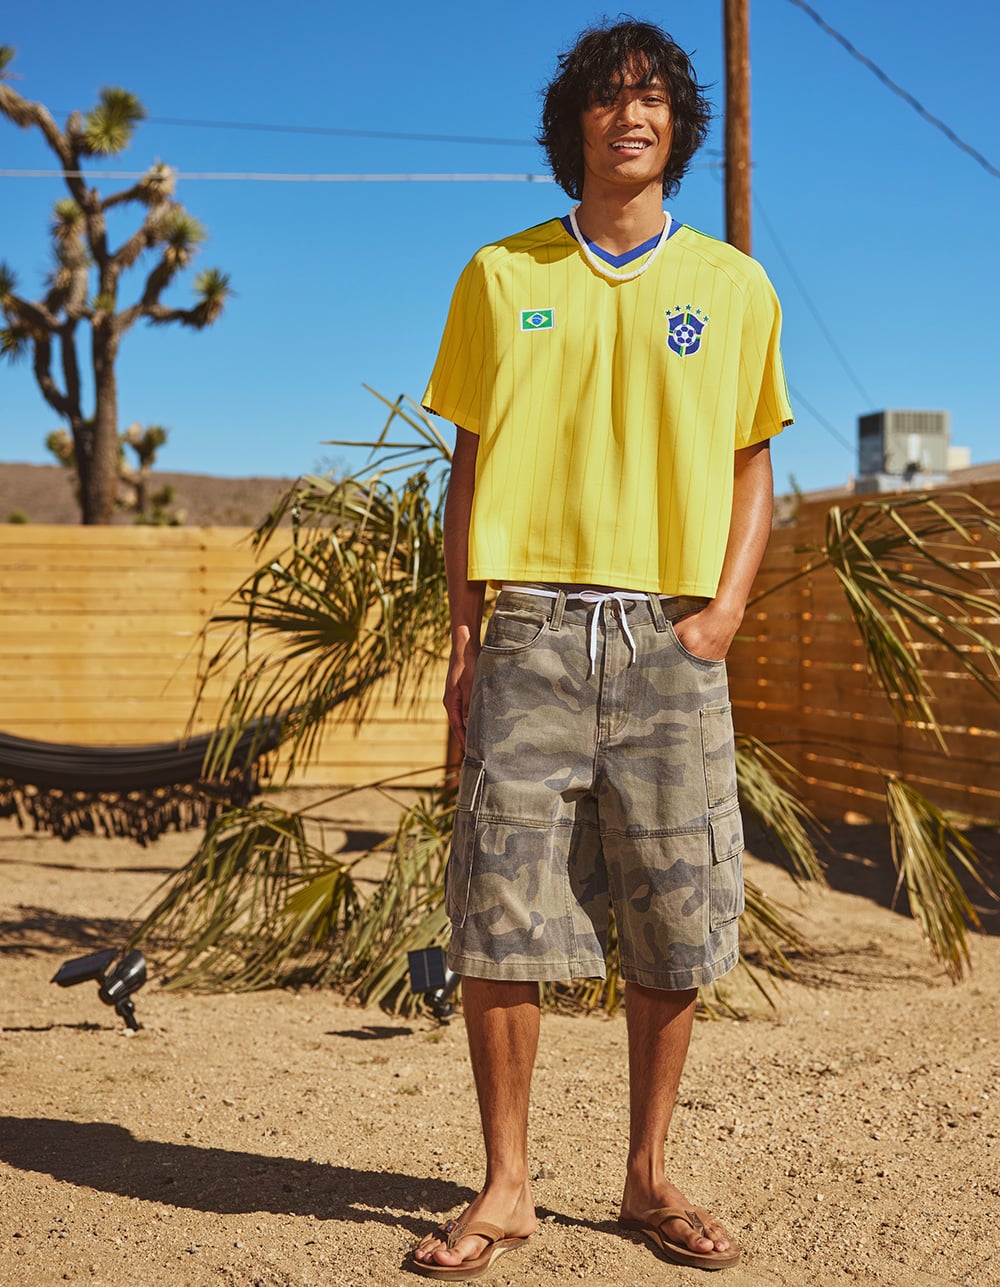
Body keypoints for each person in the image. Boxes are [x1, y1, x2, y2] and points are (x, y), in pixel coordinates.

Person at [410, 18, 792, 1280]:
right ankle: (507, 1186)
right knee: (498, 914)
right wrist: (465, 630)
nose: (632, 115)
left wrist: (720, 616)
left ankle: (646, 1176)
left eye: (654, 98)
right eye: (608, 97)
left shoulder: (734, 288)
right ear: (571, 122)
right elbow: (467, 471)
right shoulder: (498, 274)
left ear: (678, 127)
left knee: (677, 917)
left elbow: (751, 469)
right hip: (528, 628)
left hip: (667, 637)